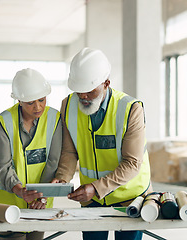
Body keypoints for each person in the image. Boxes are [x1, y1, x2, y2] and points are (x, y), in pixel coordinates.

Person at [51, 47, 152, 240]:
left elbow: (132, 163)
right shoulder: (68, 106)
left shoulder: (131, 109)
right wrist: (63, 178)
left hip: (128, 198)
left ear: (106, 83)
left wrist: (96, 188)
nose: (83, 96)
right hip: (91, 200)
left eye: (89, 91)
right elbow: (70, 151)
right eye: (78, 90)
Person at [0, 68, 62, 240]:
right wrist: (21, 192)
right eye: (30, 103)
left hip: (40, 205)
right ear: (19, 100)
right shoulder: (3, 123)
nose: (38, 107)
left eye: (42, 100)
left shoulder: (54, 119)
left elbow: (53, 162)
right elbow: (3, 166)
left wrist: (40, 197)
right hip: (8, 205)